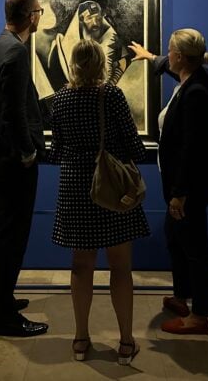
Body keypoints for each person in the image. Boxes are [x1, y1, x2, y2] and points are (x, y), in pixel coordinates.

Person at [48, 39, 150, 364]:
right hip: (110, 186)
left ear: (73, 64)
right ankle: (125, 343)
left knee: (81, 266)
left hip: (76, 186)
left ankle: (80, 340)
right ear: (100, 63)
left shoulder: (61, 98)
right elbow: (133, 145)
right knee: (120, 267)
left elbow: (56, 151)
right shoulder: (112, 95)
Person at [129, 29, 208, 335]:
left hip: (192, 184)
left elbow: (191, 148)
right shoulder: (193, 80)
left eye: (169, 51)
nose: (167, 55)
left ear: (180, 56)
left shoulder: (197, 92)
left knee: (195, 244)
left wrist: (179, 193)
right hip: (185, 181)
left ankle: (199, 315)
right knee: (176, 236)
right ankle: (182, 295)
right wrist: (150, 58)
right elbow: (177, 77)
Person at [0, 0, 49, 337]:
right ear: (31, 16)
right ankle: (4, 317)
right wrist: (28, 152)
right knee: (11, 236)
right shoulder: (17, 52)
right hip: (14, 158)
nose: (40, 16)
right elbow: (14, 113)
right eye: (39, 11)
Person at [47, 1, 133, 88]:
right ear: (81, 19)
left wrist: (110, 84)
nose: (95, 23)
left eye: (98, 18)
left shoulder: (111, 38)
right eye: (89, 18)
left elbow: (123, 62)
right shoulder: (64, 44)